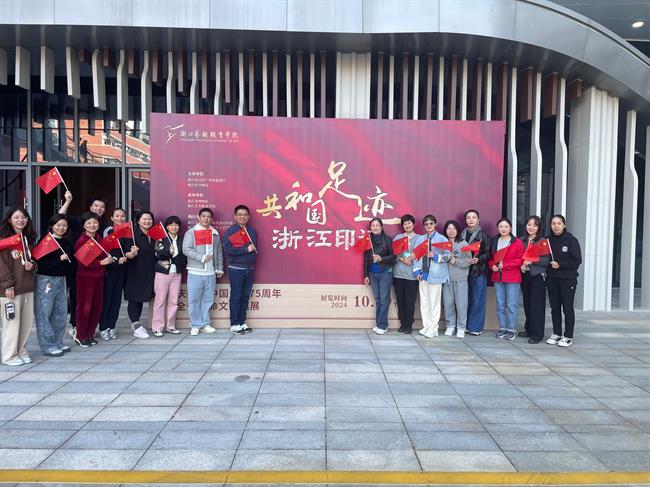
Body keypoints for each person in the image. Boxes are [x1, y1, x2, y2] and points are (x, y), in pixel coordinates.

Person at [60, 192, 107, 339]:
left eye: (102, 207)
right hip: (79, 269)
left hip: (97, 273)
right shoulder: (80, 223)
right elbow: (61, 217)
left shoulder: (101, 230)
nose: (99, 208)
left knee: (94, 304)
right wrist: (68, 201)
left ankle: (88, 332)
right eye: (96, 206)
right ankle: (78, 329)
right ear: (90, 207)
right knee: (81, 302)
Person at [0, 207, 37, 365]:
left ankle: (21, 351)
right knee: (12, 324)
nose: (21, 220)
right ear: (9, 220)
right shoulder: (4, 240)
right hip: (10, 290)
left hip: (27, 287)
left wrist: (32, 266)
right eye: (16, 217)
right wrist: (7, 285)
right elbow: (2, 265)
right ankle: (9, 356)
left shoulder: (26, 239)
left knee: (26, 324)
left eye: (24, 217)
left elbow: (33, 261)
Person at [34, 214, 74, 356]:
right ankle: (47, 345)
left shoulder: (67, 243)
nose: (61, 228)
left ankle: (58, 341)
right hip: (46, 281)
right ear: (52, 226)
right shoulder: (46, 241)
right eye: (58, 225)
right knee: (44, 314)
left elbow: (70, 266)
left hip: (61, 280)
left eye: (64, 225)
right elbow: (40, 264)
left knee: (60, 313)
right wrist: (59, 259)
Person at [74, 212, 114, 347]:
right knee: (84, 308)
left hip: (99, 277)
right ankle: (81, 335)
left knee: (96, 307)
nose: (92, 225)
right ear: (84, 225)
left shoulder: (98, 238)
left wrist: (108, 259)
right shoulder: (82, 241)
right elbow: (82, 263)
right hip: (86, 278)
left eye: (95, 222)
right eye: (89, 223)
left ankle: (90, 334)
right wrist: (101, 263)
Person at [182, 208, 223, 336]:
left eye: (208, 216)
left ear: (212, 219)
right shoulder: (191, 232)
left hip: (210, 272)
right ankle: (195, 324)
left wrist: (219, 268)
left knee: (207, 300)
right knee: (194, 300)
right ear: (198, 217)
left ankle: (205, 324)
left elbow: (218, 251)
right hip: (195, 271)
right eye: (203, 216)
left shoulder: (215, 233)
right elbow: (186, 249)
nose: (206, 218)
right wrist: (202, 257)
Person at [545, 214, 582, 347]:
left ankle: (568, 336)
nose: (556, 226)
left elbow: (577, 260)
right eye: (553, 223)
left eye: (559, 223)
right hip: (552, 279)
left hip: (567, 280)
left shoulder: (571, 240)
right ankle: (557, 333)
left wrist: (560, 264)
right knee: (554, 308)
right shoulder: (547, 240)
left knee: (567, 308)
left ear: (564, 225)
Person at [413, 215, 450, 339]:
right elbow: (416, 256)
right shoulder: (420, 239)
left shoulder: (442, 239)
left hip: (436, 275)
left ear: (435, 224)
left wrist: (435, 256)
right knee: (424, 302)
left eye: (431, 223)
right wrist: (417, 272)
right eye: (426, 224)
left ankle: (434, 328)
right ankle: (427, 326)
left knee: (434, 303)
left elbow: (448, 256)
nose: (428, 226)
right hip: (423, 274)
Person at [223, 205, 257, 335]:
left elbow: (253, 249)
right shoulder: (231, 231)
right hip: (236, 269)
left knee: (245, 296)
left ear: (248, 216)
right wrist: (245, 250)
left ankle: (242, 322)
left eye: (245, 215)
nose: (243, 217)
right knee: (236, 296)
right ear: (235, 217)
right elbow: (228, 250)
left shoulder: (252, 231)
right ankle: (234, 324)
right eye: (240, 215)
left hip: (249, 269)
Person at [488, 218, 524, 340]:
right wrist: (492, 265)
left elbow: (520, 260)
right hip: (497, 277)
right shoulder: (494, 240)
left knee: (511, 305)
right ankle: (502, 327)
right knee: (500, 304)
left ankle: (511, 329)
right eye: (501, 227)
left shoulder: (517, 242)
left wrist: (506, 265)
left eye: (506, 227)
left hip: (512, 277)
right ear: (497, 228)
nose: (503, 229)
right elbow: (491, 258)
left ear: (510, 228)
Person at [151, 215, 187, 336]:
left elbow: (184, 258)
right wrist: (169, 252)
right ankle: (157, 327)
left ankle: (170, 326)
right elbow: (158, 255)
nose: (174, 227)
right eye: (171, 225)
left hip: (176, 274)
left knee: (173, 301)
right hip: (162, 274)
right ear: (167, 227)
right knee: (160, 301)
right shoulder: (160, 239)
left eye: (176, 225)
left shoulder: (181, 240)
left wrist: (174, 258)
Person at [123, 211, 156, 339]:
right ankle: (136, 325)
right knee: (134, 298)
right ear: (138, 221)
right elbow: (125, 253)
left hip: (148, 272)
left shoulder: (153, 235)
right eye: (144, 219)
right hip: (134, 271)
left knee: (141, 298)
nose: (147, 221)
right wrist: (131, 254)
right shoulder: (132, 235)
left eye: (149, 219)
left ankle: (136, 322)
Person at [519, 215, 551, 344]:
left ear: (538, 227)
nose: (531, 227)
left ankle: (537, 334)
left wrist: (531, 261)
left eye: (534, 225)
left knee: (536, 305)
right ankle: (529, 329)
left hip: (537, 276)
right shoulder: (521, 240)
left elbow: (546, 260)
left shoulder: (542, 241)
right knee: (527, 303)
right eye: (529, 225)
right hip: (525, 275)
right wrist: (521, 265)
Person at [98, 208, 128, 340]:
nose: (120, 218)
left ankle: (112, 326)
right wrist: (117, 260)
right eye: (117, 216)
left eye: (122, 216)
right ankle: (104, 327)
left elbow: (126, 249)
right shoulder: (108, 231)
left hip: (121, 270)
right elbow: (106, 250)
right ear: (112, 218)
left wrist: (129, 254)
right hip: (109, 270)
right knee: (107, 299)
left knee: (116, 300)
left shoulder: (127, 230)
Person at [362, 218, 396, 335]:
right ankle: (379, 324)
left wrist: (381, 258)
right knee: (378, 300)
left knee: (384, 300)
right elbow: (366, 259)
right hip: (372, 274)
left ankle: (383, 325)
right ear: (370, 228)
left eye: (377, 225)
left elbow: (393, 256)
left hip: (385, 273)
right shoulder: (368, 240)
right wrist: (366, 275)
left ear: (381, 227)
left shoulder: (388, 240)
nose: (375, 227)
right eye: (373, 225)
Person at [460, 209, 491, 336]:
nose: (471, 220)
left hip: (478, 271)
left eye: (474, 217)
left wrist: (479, 259)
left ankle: (476, 327)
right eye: (468, 217)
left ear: (478, 219)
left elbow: (489, 253)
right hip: (463, 271)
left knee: (477, 299)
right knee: (465, 300)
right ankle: (465, 325)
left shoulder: (483, 235)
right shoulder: (461, 235)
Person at [442, 220, 471, 339]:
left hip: (460, 278)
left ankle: (461, 327)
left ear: (458, 230)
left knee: (461, 304)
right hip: (446, 278)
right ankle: (450, 326)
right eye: (449, 228)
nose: (451, 231)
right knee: (448, 303)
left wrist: (457, 261)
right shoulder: (443, 244)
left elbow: (469, 260)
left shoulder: (463, 243)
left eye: (453, 229)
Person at [392, 214, 420, 334]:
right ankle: (402, 323)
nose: (407, 225)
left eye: (409, 223)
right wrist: (402, 259)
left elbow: (422, 253)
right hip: (398, 274)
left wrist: (414, 256)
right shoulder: (398, 237)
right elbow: (393, 254)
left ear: (413, 224)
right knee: (400, 301)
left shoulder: (419, 238)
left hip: (412, 275)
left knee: (410, 301)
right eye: (405, 224)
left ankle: (409, 324)